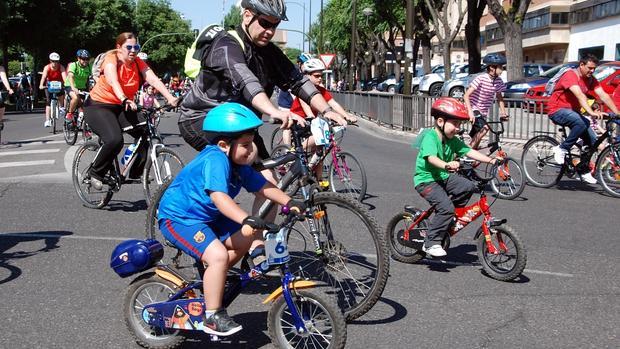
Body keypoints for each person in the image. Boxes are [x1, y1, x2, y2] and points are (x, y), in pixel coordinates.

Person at [178, 0, 348, 254]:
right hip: (202, 119)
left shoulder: (268, 51)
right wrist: (275, 111)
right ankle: (203, 227)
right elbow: (247, 81)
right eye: (265, 23)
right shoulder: (226, 45)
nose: (270, 31)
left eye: (275, 26)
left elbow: (297, 80)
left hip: (240, 126)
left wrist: (328, 111)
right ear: (247, 15)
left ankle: (255, 244)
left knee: (270, 183)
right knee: (229, 174)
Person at [158, 103, 305, 336]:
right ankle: (213, 315)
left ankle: (215, 276)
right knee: (218, 255)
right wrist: (246, 218)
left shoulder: (239, 165)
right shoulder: (216, 159)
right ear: (224, 145)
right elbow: (219, 197)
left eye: (252, 143)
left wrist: (289, 202)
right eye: (246, 145)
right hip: (179, 219)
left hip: (209, 218)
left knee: (246, 236)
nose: (252, 150)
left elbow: (264, 187)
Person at [85, 32, 178, 190]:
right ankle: (95, 172)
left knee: (147, 131)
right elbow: (113, 80)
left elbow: (153, 79)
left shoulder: (137, 62)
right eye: (129, 47)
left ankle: (136, 172)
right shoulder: (111, 59)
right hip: (98, 106)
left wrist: (170, 98)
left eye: (136, 47)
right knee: (115, 140)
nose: (133, 50)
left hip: (122, 106)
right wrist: (124, 98)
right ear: (119, 47)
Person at [414, 97, 500, 257]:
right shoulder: (431, 137)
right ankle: (431, 242)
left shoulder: (452, 140)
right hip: (425, 180)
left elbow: (469, 151)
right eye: (455, 123)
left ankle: (447, 215)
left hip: (442, 177)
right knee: (446, 207)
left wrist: (492, 160)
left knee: (468, 187)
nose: (458, 128)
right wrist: (447, 165)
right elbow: (431, 158)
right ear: (440, 121)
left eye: (460, 124)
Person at [547, 54, 619, 184]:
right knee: (581, 122)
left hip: (573, 112)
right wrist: (591, 112)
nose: (592, 71)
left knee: (592, 142)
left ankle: (583, 170)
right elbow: (580, 95)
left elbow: (604, 96)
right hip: (557, 110)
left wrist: (617, 112)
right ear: (581, 65)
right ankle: (562, 148)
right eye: (589, 68)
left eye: (594, 69)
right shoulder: (571, 75)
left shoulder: (591, 80)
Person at [464, 53, 508, 150]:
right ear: (492, 68)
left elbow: (499, 97)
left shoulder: (498, 81)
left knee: (478, 135)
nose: (502, 69)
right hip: (473, 108)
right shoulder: (481, 78)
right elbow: (466, 95)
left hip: (483, 112)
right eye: (500, 67)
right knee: (485, 129)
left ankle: (473, 154)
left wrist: (503, 113)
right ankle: (467, 152)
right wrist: (470, 112)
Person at [38, 52, 67, 127]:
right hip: (49, 85)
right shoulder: (47, 67)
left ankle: (61, 107)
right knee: (48, 101)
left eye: (56, 61)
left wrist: (66, 84)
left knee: (61, 94)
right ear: (50, 61)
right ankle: (47, 120)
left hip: (59, 84)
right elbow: (43, 77)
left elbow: (65, 77)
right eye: (53, 61)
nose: (55, 63)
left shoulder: (61, 67)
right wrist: (41, 85)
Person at [64, 49, 93, 124]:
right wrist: (73, 87)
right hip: (70, 85)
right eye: (83, 59)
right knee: (75, 97)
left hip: (82, 87)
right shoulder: (74, 65)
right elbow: (71, 76)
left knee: (88, 103)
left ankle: (85, 128)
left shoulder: (89, 67)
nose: (85, 61)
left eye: (87, 59)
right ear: (78, 58)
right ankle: (70, 113)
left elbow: (94, 77)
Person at [0, 65, 14, 131]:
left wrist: (9, 88)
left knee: (1, 103)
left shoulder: (1, 68)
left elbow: (4, 79)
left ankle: (0, 120)